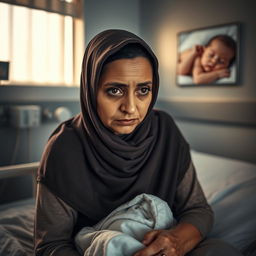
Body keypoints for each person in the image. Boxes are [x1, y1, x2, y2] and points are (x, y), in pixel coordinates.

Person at [34, 29, 243, 256]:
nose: (131, 108)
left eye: (144, 90)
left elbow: (198, 210)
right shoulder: (64, 148)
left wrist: (175, 241)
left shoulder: (165, 131)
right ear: (90, 89)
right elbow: (51, 246)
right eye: (114, 90)